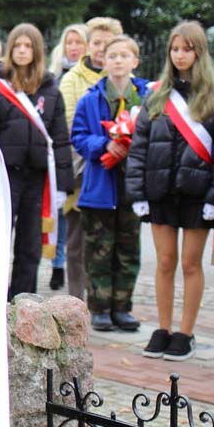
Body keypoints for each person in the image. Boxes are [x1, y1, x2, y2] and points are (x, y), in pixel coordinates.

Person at [127, 21, 214, 361]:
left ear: (199, 52)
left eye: (187, 49)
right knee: (164, 262)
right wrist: (137, 192)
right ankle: (162, 329)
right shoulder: (157, 94)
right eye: (175, 49)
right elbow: (139, 146)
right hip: (161, 190)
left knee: (190, 263)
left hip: (197, 193)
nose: (180, 55)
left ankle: (185, 334)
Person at [0, 23, 72, 299]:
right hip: (4, 176)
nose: (22, 51)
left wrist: (63, 185)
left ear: (37, 50)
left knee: (30, 245)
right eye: (17, 45)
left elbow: (60, 139)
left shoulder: (51, 91)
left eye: (28, 46)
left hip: (37, 178)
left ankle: (23, 301)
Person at [71, 36, 152, 333]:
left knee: (128, 249)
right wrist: (106, 144)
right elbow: (78, 137)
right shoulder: (90, 99)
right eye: (112, 56)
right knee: (99, 249)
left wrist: (133, 145)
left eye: (124, 55)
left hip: (132, 184)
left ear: (135, 61)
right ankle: (100, 308)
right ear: (103, 61)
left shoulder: (147, 96)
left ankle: (122, 307)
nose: (118, 61)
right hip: (100, 186)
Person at [57, 17, 121, 298]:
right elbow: (70, 124)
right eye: (96, 43)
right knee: (77, 241)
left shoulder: (124, 79)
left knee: (113, 242)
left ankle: (107, 302)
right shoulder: (72, 79)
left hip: (117, 170)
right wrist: (105, 144)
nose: (101, 49)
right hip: (83, 168)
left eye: (108, 44)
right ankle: (76, 301)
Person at [48, 20, 90, 290]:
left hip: (81, 152)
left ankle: (64, 265)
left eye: (79, 42)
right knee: (58, 213)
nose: (73, 47)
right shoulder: (54, 75)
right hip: (59, 149)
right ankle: (56, 262)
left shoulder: (91, 76)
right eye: (69, 42)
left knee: (72, 217)